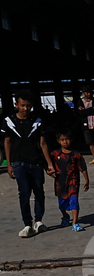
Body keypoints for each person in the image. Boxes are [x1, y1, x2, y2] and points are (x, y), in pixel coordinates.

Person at [3, 90, 54, 238]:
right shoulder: (9, 122)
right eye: (23, 105)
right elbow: (7, 142)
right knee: (24, 193)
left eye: (29, 106)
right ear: (16, 105)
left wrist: (49, 163)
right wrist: (9, 164)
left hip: (37, 163)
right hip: (19, 164)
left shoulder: (37, 121)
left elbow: (43, 143)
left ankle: (38, 221)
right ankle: (27, 223)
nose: (26, 109)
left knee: (39, 192)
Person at [50, 131, 89, 231]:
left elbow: (83, 168)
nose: (65, 142)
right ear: (58, 141)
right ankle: (65, 216)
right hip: (60, 182)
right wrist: (49, 171)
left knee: (74, 201)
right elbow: (47, 162)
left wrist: (86, 180)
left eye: (67, 139)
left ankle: (75, 223)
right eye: (62, 140)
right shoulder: (54, 154)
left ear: (71, 140)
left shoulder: (76, 155)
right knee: (62, 203)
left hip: (73, 182)